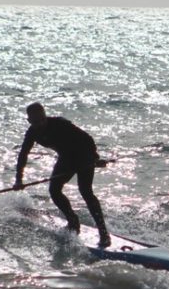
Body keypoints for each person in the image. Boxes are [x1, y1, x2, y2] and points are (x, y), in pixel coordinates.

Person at [14, 102, 111, 248]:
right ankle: (73, 221)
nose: (39, 124)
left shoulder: (60, 124)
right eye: (35, 121)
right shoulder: (32, 132)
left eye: (41, 119)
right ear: (29, 121)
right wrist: (19, 179)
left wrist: (94, 159)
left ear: (45, 115)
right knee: (54, 190)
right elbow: (23, 155)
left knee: (85, 191)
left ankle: (104, 234)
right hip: (66, 158)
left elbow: (87, 139)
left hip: (84, 155)